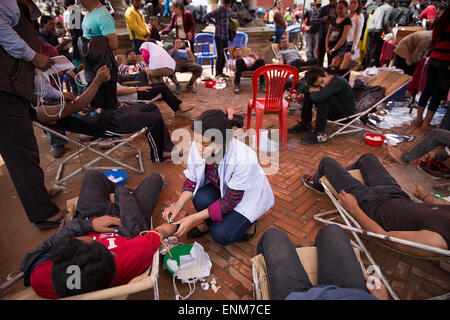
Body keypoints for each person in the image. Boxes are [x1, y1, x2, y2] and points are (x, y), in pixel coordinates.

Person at [20, 169, 185, 299]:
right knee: (155, 179)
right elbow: (162, 231)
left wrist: (88, 225)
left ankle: (123, 191)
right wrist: (180, 221)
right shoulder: (127, 256)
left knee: (93, 176)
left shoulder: (41, 277)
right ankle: (124, 191)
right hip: (128, 221)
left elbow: (47, 247)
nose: (86, 236)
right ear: (110, 255)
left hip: (90, 215)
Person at [0, 0, 68, 230]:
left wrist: (56, 94)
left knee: (27, 148)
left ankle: (38, 195)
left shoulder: (19, 8)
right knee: (20, 153)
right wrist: (31, 55)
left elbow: (30, 77)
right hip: (4, 92)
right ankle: (42, 213)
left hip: (15, 88)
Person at [162, 110, 275, 245]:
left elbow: (230, 201)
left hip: (247, 197)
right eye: (196, 141)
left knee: (221, 234)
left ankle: (249, 224)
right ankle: (210, 223)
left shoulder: (244, 158)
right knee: (200, 198)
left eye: (205, 144)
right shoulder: (198, 147)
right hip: (224, 188)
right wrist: (177, 205)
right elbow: (192, 179)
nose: (198, 148)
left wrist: (192, 218)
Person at [302, 153, 450, 251]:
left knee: (327, 162)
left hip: (369, 203)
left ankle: (319, 184)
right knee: (368, 158)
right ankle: (337, 178)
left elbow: (383, 236)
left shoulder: (437, 240)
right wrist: (425, 195)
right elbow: (441, 204)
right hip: (395, 193)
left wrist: (354, 209)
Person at [36, 65, 178, 163]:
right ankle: (159, 155)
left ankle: (166, 147)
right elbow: (79, 106)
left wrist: (67, 96)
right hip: (105, 125)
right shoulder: (41, 112)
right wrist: (97, 80)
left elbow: (78, 104)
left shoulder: (49, 99)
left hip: (108, 115)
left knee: (151, 107)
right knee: (154, 119)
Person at [257, 226, 389, 300]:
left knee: (273, 235)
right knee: (332, 230)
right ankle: (307, 255)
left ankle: (291, 255)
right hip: (352, 293)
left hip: (294, 297)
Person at [288, 66, 356, 145]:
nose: (322, 85)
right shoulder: (320, 78)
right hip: (334, 111)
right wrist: (311, 89)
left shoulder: (338, 82)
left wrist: (315, 89)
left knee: (323, 99)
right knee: (309, 95)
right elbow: (300, 89)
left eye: (322, 82)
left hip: (346, 115)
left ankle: (320, 134)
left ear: (326, 74)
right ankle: (305, 124)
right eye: (318, 85)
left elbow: (317, 97)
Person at [413, 5, 450, 129]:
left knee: (427, 89)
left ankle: (418, 119)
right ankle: (426, 123)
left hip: (434, 59)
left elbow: (433, 40)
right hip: (446, 63)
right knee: (438, 93)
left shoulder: (440, 20)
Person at [80, 0, 118, 111]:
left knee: (107, 111)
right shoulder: (89, 13)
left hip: (103, 72)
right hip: (93, 71)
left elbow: (113, 43)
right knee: (96, 109)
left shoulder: (102, 15)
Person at [116, 81, 196, 115]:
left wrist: (137, 88)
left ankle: (179, 105)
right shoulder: (106, 84)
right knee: (162, 89)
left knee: (162, 84)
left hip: (134, 91)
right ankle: (178, 108)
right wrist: (137, 89)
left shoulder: (109, 80)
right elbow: (118, 92)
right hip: (135, 96)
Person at [203, 0, 232, 78]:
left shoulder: (229, 10)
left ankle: (221, 72)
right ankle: (217, 73)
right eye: (225, 5)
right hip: (219, 35)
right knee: (220, 55)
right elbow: (206, 16)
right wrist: (215, 23)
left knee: (225, 54)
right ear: (223, 3)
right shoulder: (218, 10)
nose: (227, 6)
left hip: (226, 36)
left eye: (228, 4)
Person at [364, 0, 395, 68]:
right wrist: (386, 31)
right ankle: (371, 68)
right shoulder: (390, 9)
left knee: (369, 50)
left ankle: (366, 67)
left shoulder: (379, 7)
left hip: (371, 29)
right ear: (392, 3)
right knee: (375, 51)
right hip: (378, 30)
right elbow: (386, 21)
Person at [339, 0, 365, 73]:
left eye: (355, 3)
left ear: (358, 4)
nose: (353, 4)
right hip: (341, 42)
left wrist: (354, 47)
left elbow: (358, 33)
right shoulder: (346, 13)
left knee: (345, 67)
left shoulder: (359, 16)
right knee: (339, 64)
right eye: (351, 2)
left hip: (349, 44)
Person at [325, 0, 352, 68]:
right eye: (337, 8)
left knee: (336, 68)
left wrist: (334, 49)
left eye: (341, 8)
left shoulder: (347, 20)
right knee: (329, 67)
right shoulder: (334, 19)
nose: (339, 10)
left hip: (339, 50)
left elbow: (343, 37)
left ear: (346, 8)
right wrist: (327, 47)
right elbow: (328, 34)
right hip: (330, 48)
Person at [317, 0, 337, 67]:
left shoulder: (339, 9)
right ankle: (320, 70)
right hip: (323, 35)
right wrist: (323, 19)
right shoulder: (324, 8)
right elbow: (317, 20)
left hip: (333, 37)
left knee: (331, 56)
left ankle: (329, 70)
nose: (333, 1)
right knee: (320, 55)